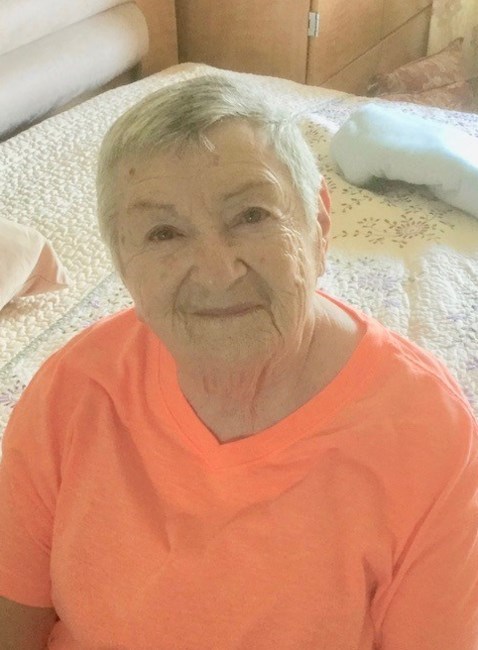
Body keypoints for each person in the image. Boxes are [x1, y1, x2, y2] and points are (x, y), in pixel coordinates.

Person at [0, 74, 477, 650]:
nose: (218, 271)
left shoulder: (429, 435)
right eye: (163, 233)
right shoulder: (71, 391)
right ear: (122, 262)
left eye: (251, 215)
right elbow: (15, 618)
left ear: (320, 224)